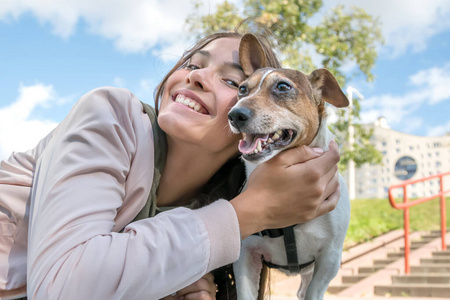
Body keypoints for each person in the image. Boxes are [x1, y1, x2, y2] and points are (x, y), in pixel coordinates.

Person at [0, 30, 340, 300]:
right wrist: (246, 214)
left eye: (231, 82)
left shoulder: (209, 209)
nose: (197, 77)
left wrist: (158, 287)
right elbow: (61, 287)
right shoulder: (109, 115)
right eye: (192, 65)